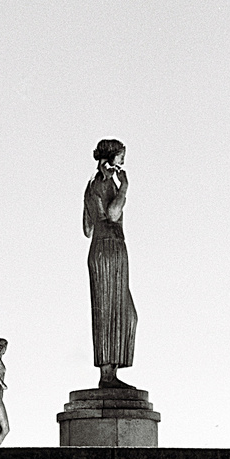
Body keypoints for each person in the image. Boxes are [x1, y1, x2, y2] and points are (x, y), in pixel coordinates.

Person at [83, 139, 137, 387]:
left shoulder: (94, 184)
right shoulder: (105, 183)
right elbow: (113, 214)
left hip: (106, 247)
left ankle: (110, 372)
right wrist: (124, 187)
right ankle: (107, 374)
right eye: (121, 155)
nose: (123, 159)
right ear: (111, 156)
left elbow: (86, 227)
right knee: (111, 310)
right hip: (109, 248)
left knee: (123, 313)